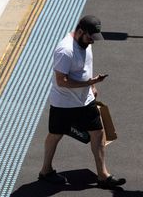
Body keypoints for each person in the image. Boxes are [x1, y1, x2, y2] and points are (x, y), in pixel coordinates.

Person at [39, 15, 126, 188]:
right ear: (80, 31)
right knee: (56, 135)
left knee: (98, 132)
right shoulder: (65, 50)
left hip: (85, 101)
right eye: (89, 38)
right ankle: (45, 171)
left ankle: (103, 175)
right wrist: (90, 83)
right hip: (64, 104)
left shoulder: (85, 43)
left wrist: (91, 87)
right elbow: (61, 81)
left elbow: (86, 65)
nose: (92, 42)